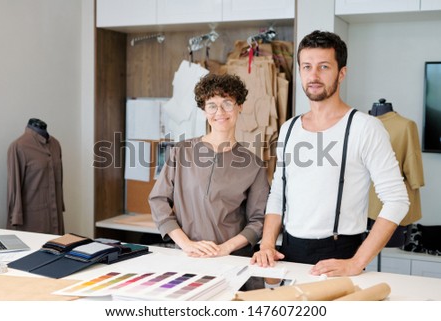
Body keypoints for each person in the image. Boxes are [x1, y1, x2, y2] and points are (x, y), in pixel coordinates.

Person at [250, 30, 409, 276]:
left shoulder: (365, 127)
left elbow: (397, 201)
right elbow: (279, 193)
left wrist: (356, 262)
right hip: (288, 251)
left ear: (341, 73)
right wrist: (268, 243)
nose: (313, 75)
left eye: (324, 66)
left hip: (341, 253)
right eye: (306, 67)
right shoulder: (288, 128)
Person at [149, 73, 269, 258]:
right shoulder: (182, 152)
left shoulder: (254, 165)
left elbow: (258, 220)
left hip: (232, 259)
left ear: (240, 106)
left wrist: (225, 248)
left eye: (227, 103)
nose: (219, 112)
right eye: (212, 106)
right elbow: (159, 200)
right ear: (204, 111)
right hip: (187, 256)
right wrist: (186, 244)